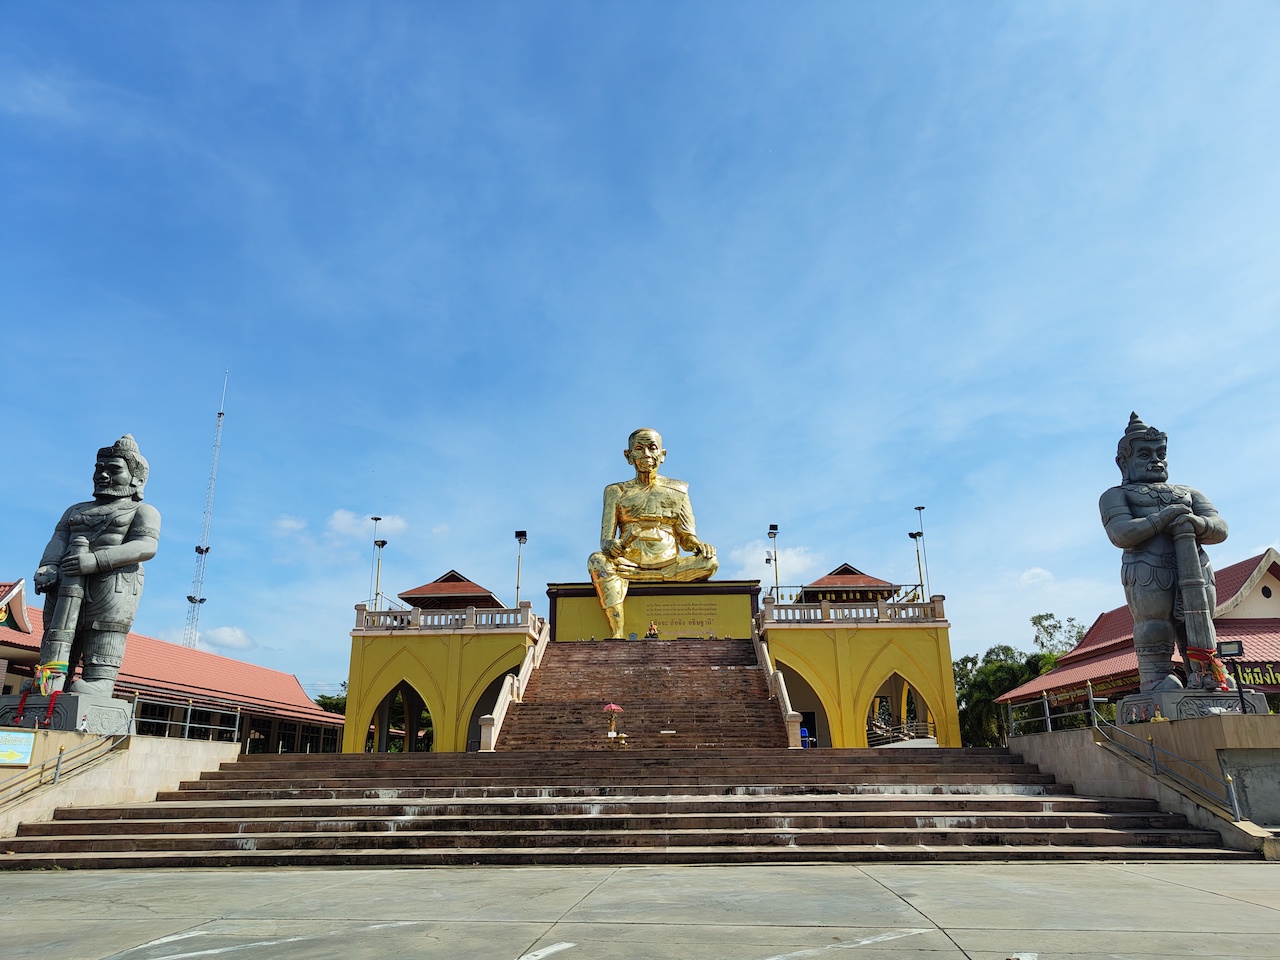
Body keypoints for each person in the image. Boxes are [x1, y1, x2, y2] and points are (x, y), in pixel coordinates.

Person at [1099, 414, 1228, 693]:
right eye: (1144, 454)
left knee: (1199, 622)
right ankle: (1156, 677)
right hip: (1148, 569)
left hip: (1195, 567)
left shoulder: (1189, 492)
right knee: (1154, 625)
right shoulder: (1116, 495)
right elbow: (1120, 533)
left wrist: (1198, 523)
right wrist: (1163, 518)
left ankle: (1207, 672)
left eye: (1161, 453)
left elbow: (1220, 529)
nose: (1155, 460)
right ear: (1123, 463)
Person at [29, 435, 161, 697]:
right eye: (99, 468)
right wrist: (48, 566)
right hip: (66, 577)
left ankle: (100, 680)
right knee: (58, 630)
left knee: (104, 629)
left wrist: (95, 560)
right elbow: (58, 539)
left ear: (137, 479)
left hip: (111, 582)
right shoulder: (75, 510)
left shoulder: (142, 511)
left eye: (113, 470)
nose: (102, 475)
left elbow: (146, 546)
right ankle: (50, 676)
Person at [588, 428, 717, 639]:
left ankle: (647, 577)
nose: (646, 455)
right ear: (628, 456)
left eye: (652, 448)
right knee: (596, 560)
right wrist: (613, 546)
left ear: (662, 455)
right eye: (639, 449)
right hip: (627, 561)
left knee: (710, 563)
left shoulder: (679, 490)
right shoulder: (615, 491)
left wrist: (700, 546)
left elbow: (686, 538)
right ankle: (617, 631)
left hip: (668, 562)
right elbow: (605, 541)